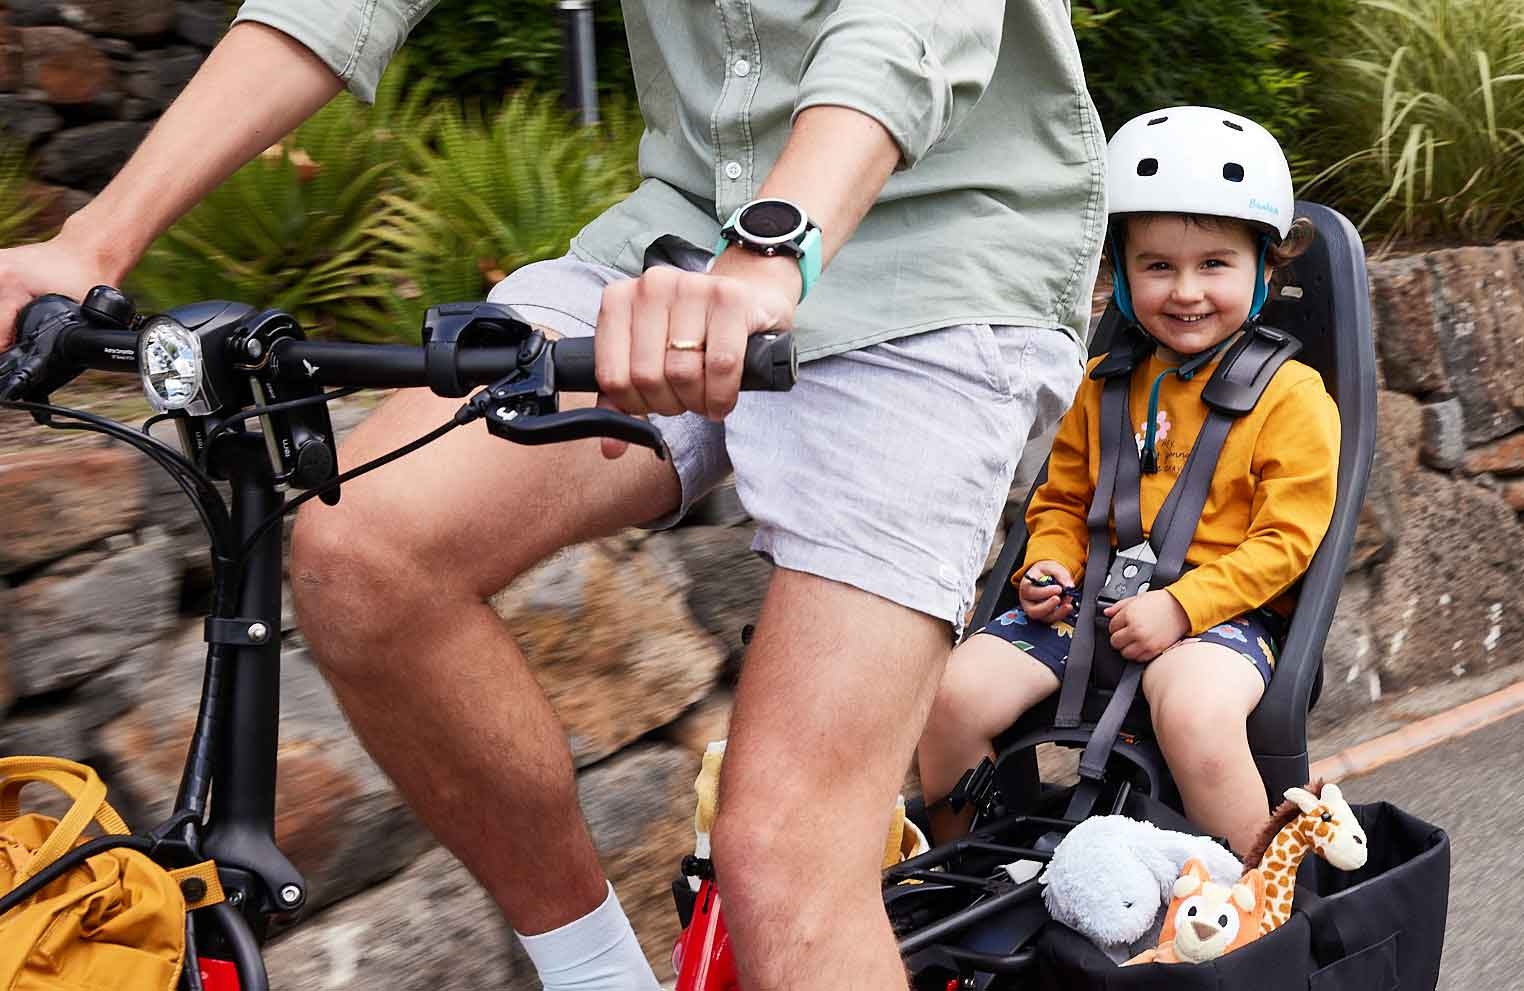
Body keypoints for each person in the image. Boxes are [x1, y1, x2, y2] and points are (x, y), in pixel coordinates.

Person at [0, 4, 1104, 988]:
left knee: (785, 861)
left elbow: (906, 28)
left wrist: (771, 253)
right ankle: (593, 975)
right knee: (366, 548)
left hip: (943, 273)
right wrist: (92, 239)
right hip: (684, 232)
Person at [916, 105, 1340, 859]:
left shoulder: (1294, 396)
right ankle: (971, 868)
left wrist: (1182, 606)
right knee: (950, 695)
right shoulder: (1105, 383)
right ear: (1118, 271)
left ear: (1267, 269)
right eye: (1157, 266)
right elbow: (1060, 502)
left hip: (1223, 615)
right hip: (1092, 600)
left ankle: (1252, 899)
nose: (1185, 290)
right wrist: (1050, 563)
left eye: (1215, 263)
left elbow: (1288, 543)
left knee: (1195, 715)